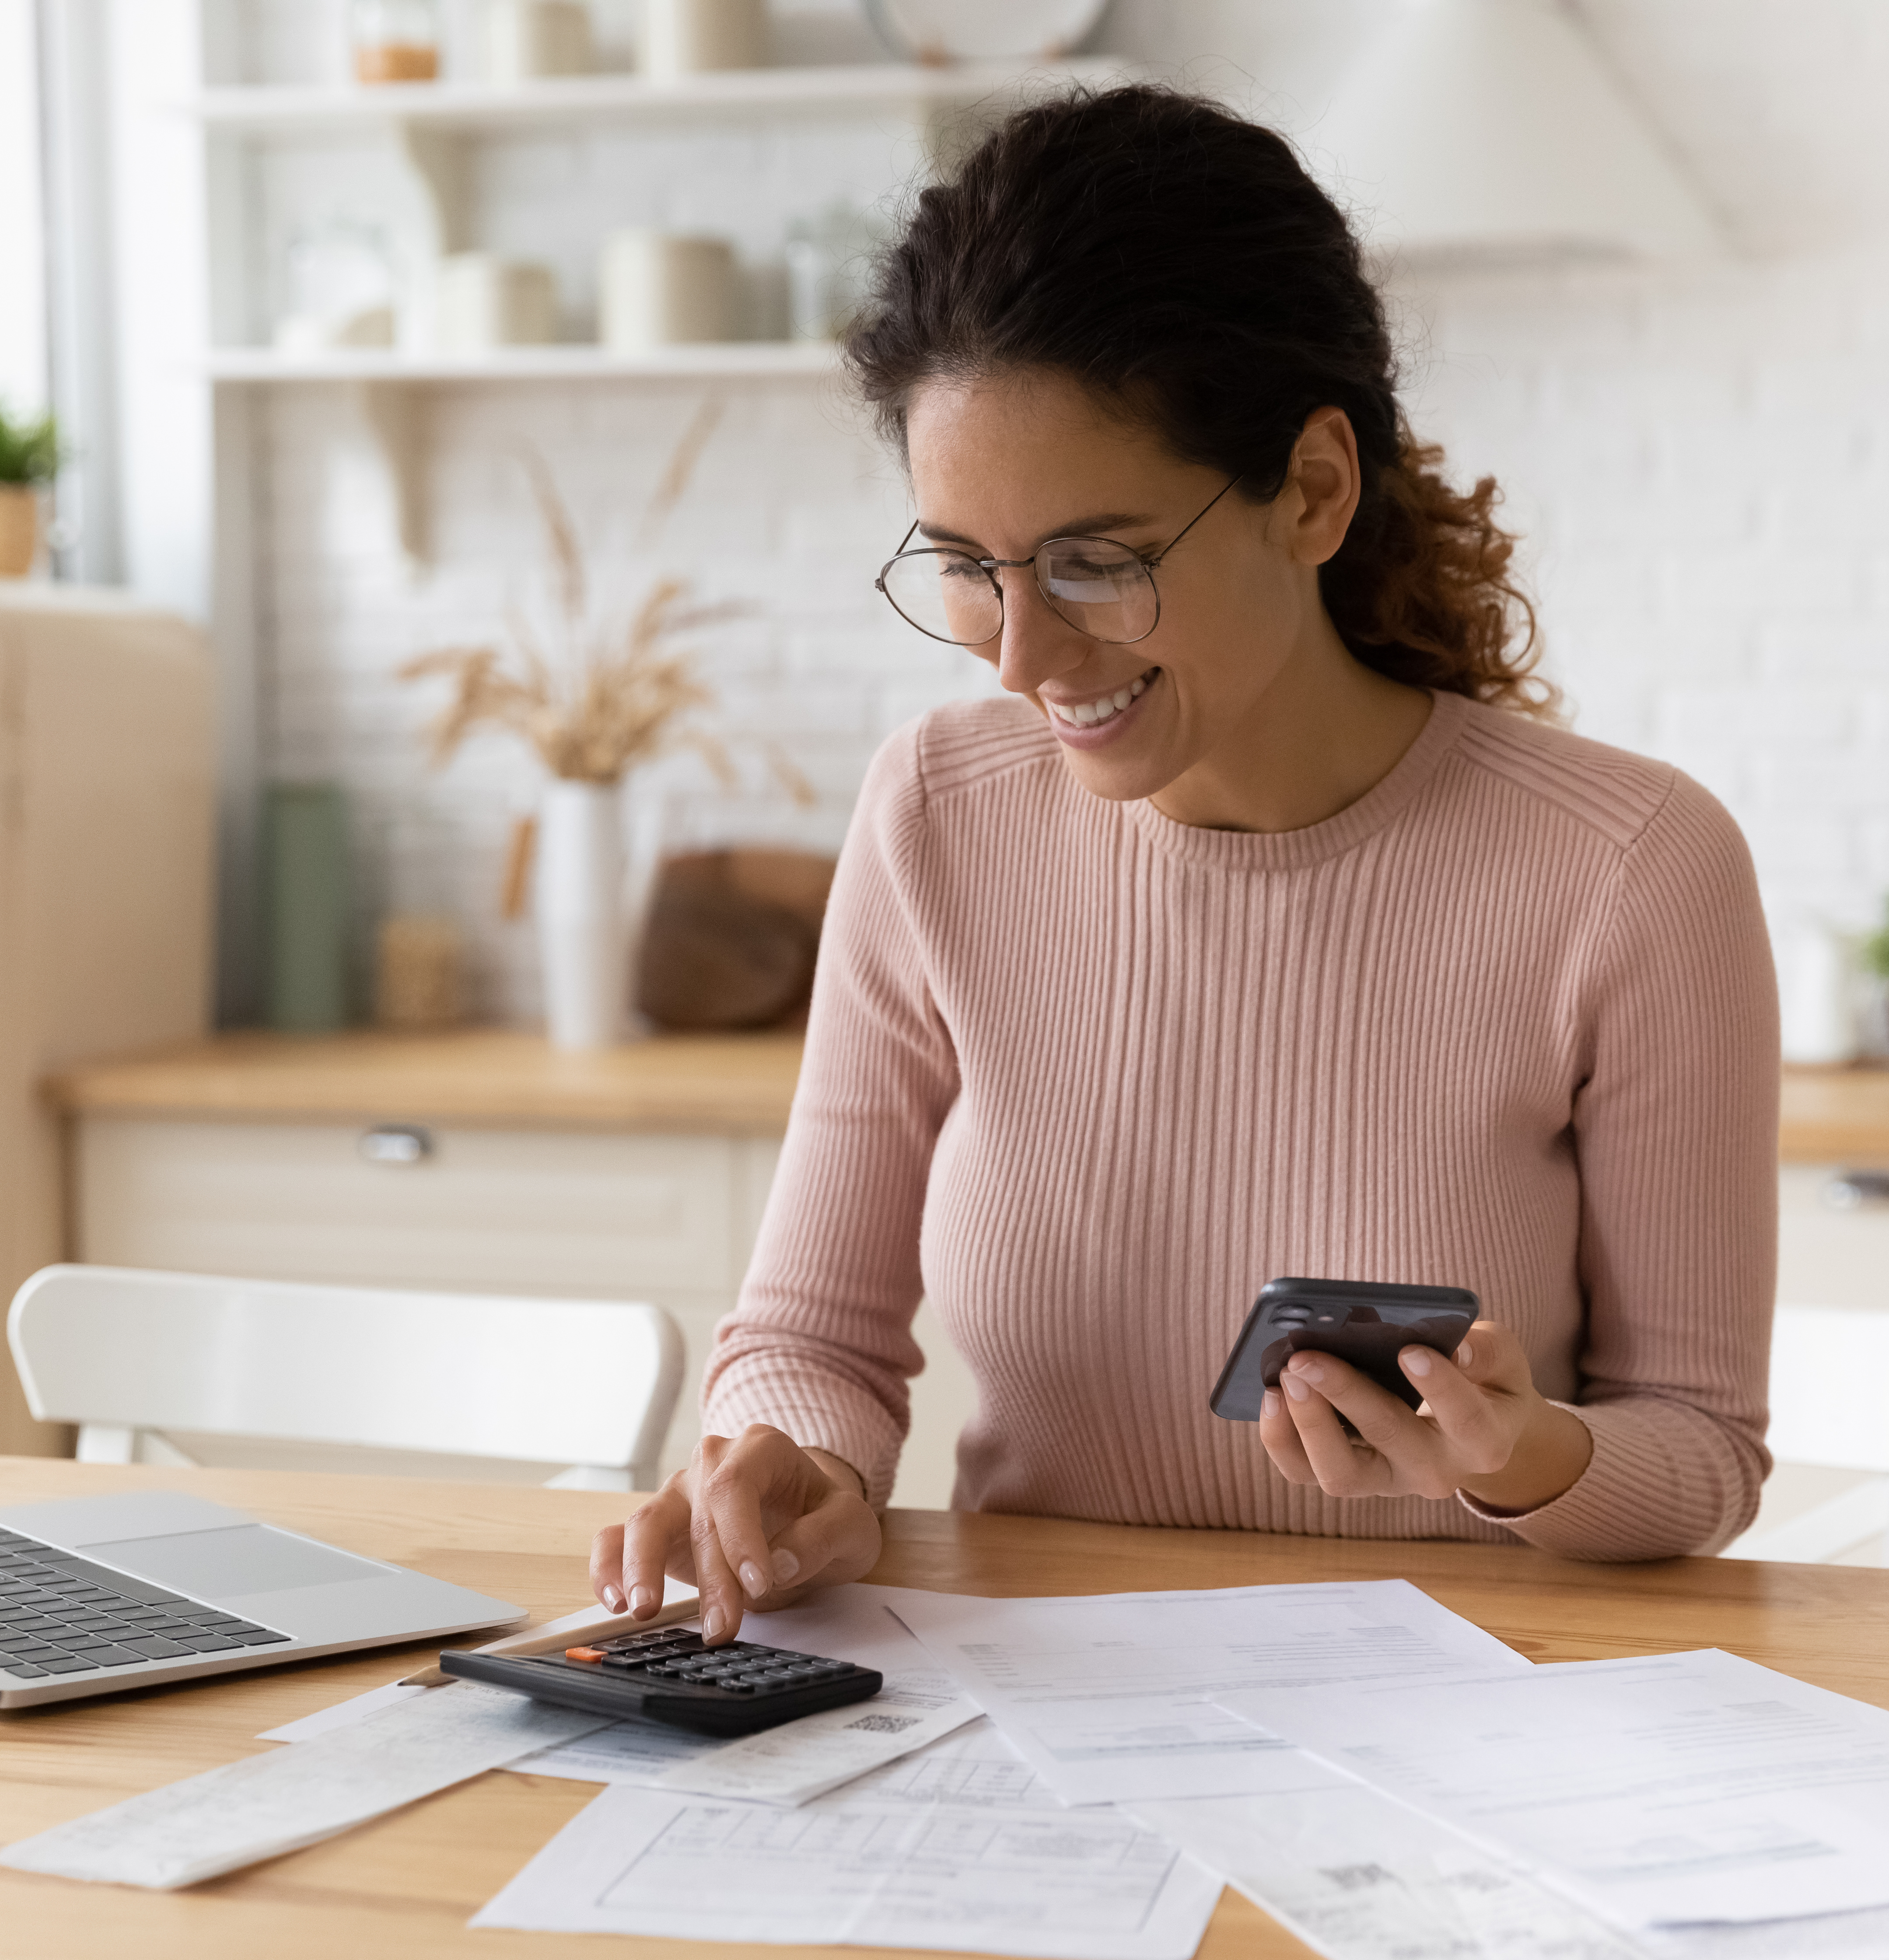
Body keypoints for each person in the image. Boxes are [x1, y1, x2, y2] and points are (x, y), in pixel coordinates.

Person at [598, 85, 1779, 1642]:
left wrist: (1532, 1459)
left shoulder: (1630, 869)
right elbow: (815, 1332)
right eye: (965, 567)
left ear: (1313, 490)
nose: (1022, 657)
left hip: (1468, 1726)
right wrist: (797, 1465)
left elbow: (1700, 1450)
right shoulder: (939, 814)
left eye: (1098, 561)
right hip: (1030, 1715)